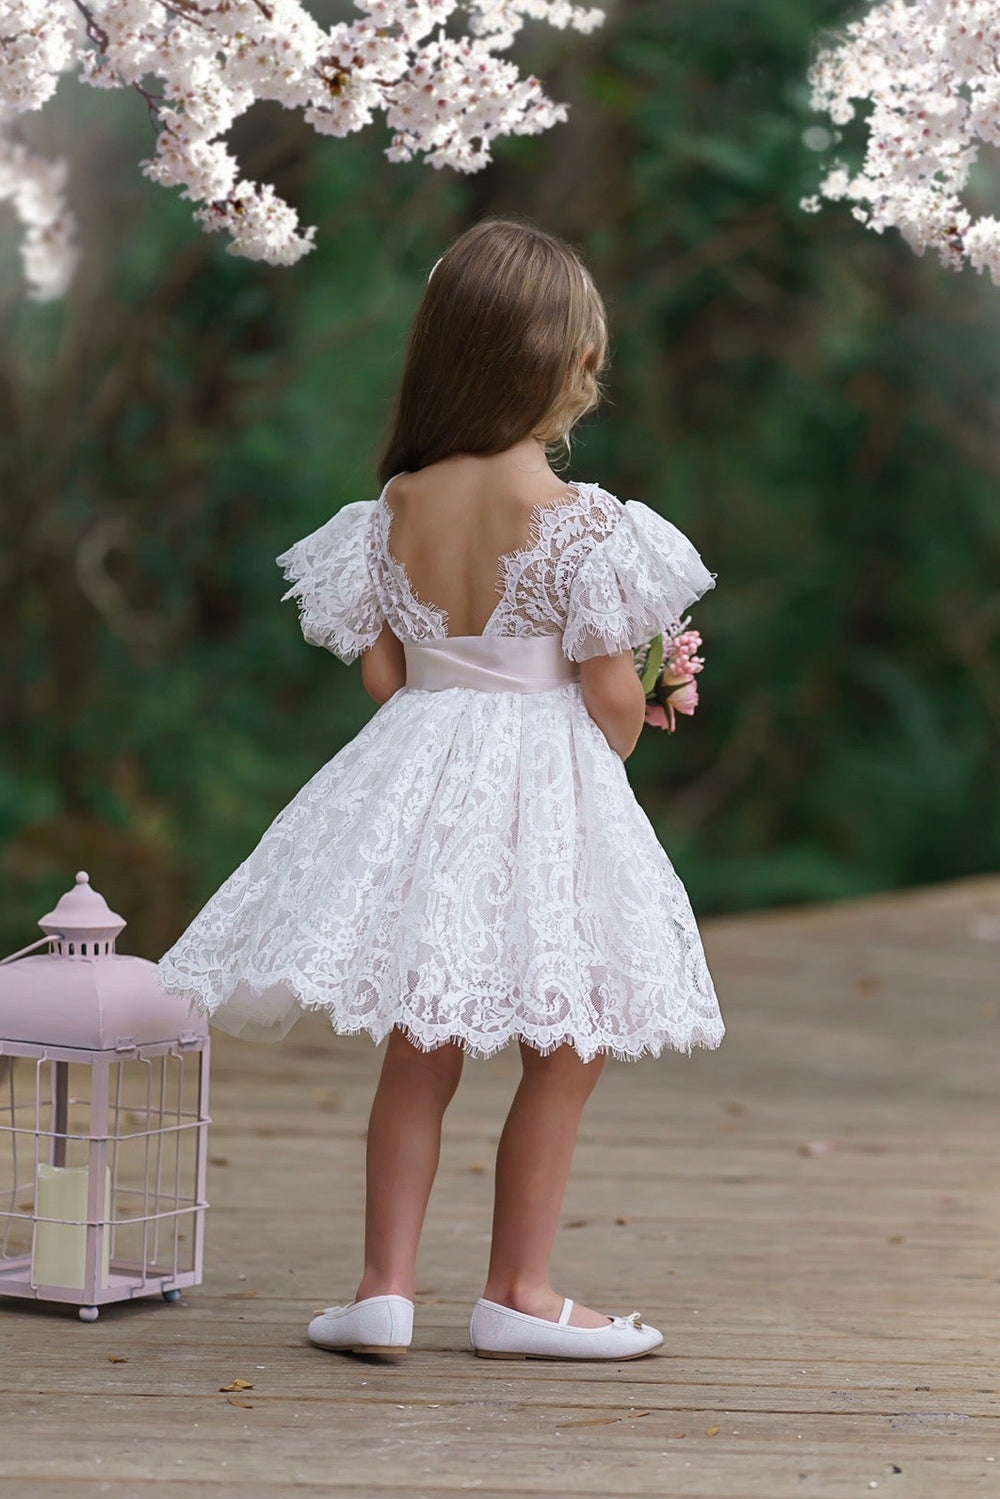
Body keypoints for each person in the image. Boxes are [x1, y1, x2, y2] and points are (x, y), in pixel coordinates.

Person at [157, 217, 725, 1363]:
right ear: (557, 365)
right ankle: (518, 1288)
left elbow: (384, 673)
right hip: (545, 785)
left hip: (422, 776)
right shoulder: (587, 525)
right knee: (565, 1043)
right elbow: (609, 706)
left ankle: (383, 1286)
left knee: (423, 1036)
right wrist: (649, 688)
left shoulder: (395, 509)